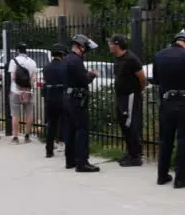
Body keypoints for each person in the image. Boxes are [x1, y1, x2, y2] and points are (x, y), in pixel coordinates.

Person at [152, 32, 185, 188]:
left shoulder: (160, 55)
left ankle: (162, 176)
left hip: (166, 103)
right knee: (184, 141)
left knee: (165, 140)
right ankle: (181, 179)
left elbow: (155, 80)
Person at [63, 34, 100, 172]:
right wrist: (92, 74)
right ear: (81, 46)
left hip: (68, 97)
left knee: (71, 129)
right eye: (86, 48)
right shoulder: (75, 60)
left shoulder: (67, 58)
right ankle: (82, 162)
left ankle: (70, 160)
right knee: (81, 130)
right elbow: (83, 80)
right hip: (77, 99)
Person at [108, 35, 146, 167]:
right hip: (121, 96)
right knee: (123, 123)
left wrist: (137, 91)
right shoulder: (117, 59)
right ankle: (130, 151)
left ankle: (135, 156)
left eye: (111, 43)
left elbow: (142, 78)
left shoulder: (131, 59)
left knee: (130, 124)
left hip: (130, 95)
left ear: (117, 45)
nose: (109, 45)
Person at [8, 42, 37, 144]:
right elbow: (33, 78)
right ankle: (27, 137)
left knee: (15, 115)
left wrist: (19, 88)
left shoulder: (13, 61)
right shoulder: (32, 62)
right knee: (29, 114)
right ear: (26, 50)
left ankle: (15, 138)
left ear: (17, 51)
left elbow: (13, 77)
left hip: (16, 91)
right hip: (28, 92)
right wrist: (27, 88)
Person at [43, 43, 67, 157]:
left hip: (50, 97)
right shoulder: (64, 66)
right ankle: (62, 143)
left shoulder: (46, 67)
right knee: (63, 122)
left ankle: (49, 149)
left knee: (51, 124)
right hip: (62, 97)